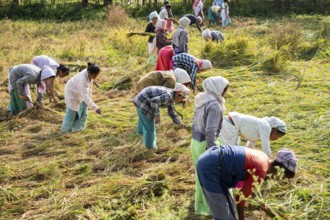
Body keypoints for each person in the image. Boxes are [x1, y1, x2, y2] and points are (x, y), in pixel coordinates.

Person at [197, 146, 297, 220]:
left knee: (231, 209)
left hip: (213, 159)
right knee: (223, 214)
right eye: (283, 176)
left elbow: (251, 191)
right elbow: (240, 199)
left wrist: (265, 207)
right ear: (279, 168)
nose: (280, 179)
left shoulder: (264, 159)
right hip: (211, 167)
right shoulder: (261, 170)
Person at [190, 76, 229, 216]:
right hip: (206, 145)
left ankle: (200, 206)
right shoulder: (214, 105)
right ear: (218, 88)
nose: (225, 92)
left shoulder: (201, 99)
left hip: (195, 143)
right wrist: (212, 150)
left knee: (199, 176)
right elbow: (210, 131)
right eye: (224, 89)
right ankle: (209, 208)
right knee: (211, 179)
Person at [133, 83, 190, 149]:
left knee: (144, 119)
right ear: (177, 94)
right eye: (183, 98)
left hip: (142, 99)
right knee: (150, 127)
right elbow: (154, 101)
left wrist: (179, 123)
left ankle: (140, 134)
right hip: (142, 101)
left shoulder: (171, 98)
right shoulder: (168, 96)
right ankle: (150, 149)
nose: (182, 100)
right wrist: (157, 115)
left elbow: (171, 112)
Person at [220, 112, 287, 156]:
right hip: (230, 124)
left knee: (232, 151)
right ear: (274, 129)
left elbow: (250, 147)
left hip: (230, 124)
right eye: (278, 136)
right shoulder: (265, 126)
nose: (276, 139)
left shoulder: (259, 128)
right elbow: (266, 150)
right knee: (229, 152)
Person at [61, 63, 102, 133]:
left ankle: (78, 129)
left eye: (96, 75)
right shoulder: (83, 80)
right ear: (89, 72)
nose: (95, 77)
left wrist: (90, 100)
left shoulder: (89, 74)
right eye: (93, 75)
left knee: (83, 109)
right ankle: (65, 130)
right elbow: (85, 96)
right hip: (72, 92)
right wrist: (95, 108)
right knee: (72, 112)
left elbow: (88, 90)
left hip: (80, 91)